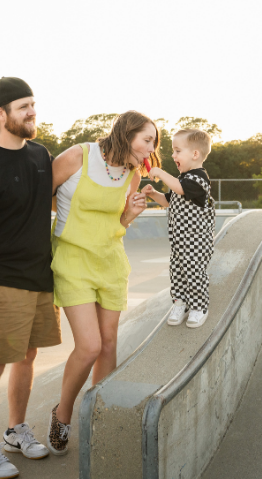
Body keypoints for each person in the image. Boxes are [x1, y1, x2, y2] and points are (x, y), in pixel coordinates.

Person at [0, 77, 62, 479]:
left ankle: (14, 431)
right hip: (4, 280)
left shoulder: (40, 154)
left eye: (33, 105)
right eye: (23, 107)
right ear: (0, 115)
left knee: (28, 355)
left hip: (40, 277)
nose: (31, 112)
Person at [47, 110, 158, 455]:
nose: (151, 148)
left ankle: (98, 418)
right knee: (90, 346)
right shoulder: (77, 156)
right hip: (72, 261)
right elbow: (38, 199)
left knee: (109, 344)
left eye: (154, 142)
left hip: (111, 262)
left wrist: (132, 214)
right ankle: (62, 414)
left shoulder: (133, 174)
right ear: (126, 134)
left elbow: (119, 223)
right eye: (147, 140)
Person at [142, 128, 215, 328]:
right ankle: (180, 303)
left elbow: (182, 190)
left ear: (195, 154)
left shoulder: (199, 179)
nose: (173, 155)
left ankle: (199, 306)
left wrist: (161, 173)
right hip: (180, 241)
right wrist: (154, 194)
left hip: (196, 242)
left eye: (177, 151)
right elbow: (170, 200)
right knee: (177, 272)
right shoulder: (182, 179)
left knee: (194, 272)